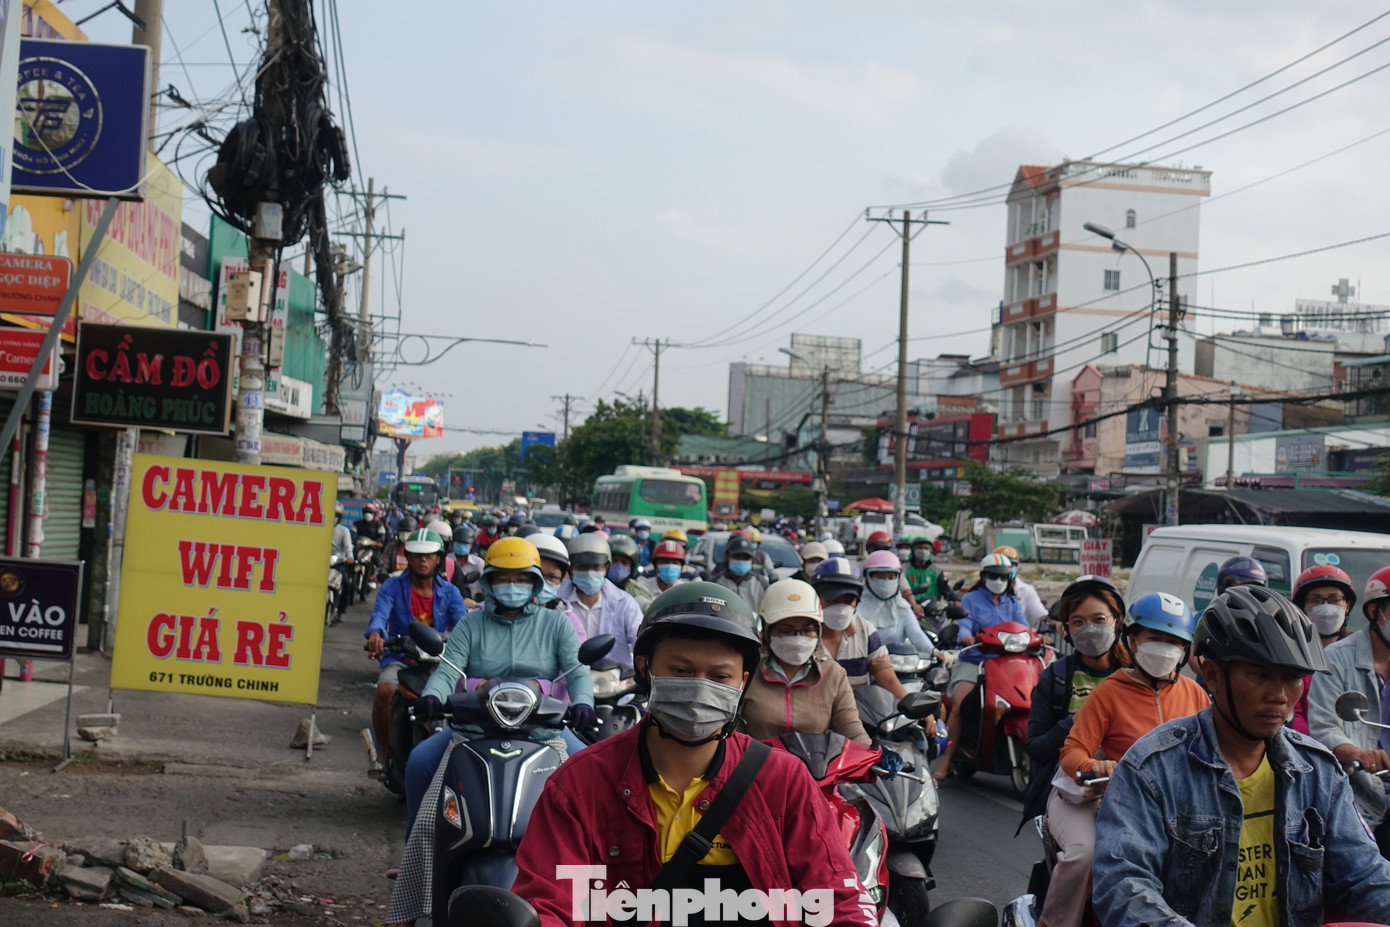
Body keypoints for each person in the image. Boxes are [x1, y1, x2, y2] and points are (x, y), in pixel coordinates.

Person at [508, 582, 880, 927]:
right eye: (680, 670)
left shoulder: (783, 781)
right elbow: (550, 904)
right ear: (645, 669)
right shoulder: (580, 784)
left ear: (743, 681)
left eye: (719, 677)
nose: (699, 688)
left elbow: (837, 899)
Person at [1093, 585, 1390, 927]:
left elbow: (1365, 874)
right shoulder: (1150, 769)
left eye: (1292, 678)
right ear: (1213, 676)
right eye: (1260, 675)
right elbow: (1124, 886)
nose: (1279, 696)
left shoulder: (1319, 771)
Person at [402, 538, 595, 833]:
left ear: (536, 582)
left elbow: (577, 672)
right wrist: (431, 696)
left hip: (543, 731)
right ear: (489, 582)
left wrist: (583, 703)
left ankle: (584, 858)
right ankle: (417, 850)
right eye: (503, 578)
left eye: (521, 579)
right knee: (419, 763)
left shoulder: (557, 624)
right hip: (474, 730)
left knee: (592, 774)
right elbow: (446, 671)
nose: (512, 585)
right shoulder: (470, 624)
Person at [1045, 591, 1208, 926]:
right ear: (1133, 641)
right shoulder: (1108, 692)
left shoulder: (1195, 694)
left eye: (1173, 641)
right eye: (1154, 638)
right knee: (1084, 857)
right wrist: (1096, 766)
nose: (1164, 648)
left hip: (1175, 808)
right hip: (1107, 796)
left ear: (1185, 649)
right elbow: (1072, 752)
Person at [1017, 576, 1127, 926]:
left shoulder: (1138, 675)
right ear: (1066, 629)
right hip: (1073, 789)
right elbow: (1035, 747)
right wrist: (1078, 723)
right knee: (1084, 855)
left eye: (1099, 620)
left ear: (1117, 621)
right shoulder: (1056, 679)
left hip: (1134, 787)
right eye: (1078, 622)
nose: (1090, 629)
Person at [363, 529, 468, 780]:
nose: (423, 560)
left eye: (429, 556)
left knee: (464, 700)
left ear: (438, 559)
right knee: (385, 691)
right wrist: (376, 634)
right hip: (401, 659)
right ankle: (383, 754)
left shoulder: (451, 592)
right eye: (417, 555)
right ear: (407, 557)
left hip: (439, 662)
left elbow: (464, 625)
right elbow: (380, 613)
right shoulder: (392, 586)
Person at [1307, 564, 1390, 852]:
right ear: (1374, 612)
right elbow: (1324, 726)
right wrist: (1360, 754)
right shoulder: (1337, 658)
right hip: (1360, 794)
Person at [740, 579, 871, 745]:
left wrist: (873, 755)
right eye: (786, 631)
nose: (798, 637)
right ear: (767, 631)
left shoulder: (833, 674)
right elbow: (732, 733)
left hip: (814, 769)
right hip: (757, 767)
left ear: (818, 632)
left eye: (808, 630)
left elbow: (851, 728)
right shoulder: (748, 671)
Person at [810, 558, 921, 706]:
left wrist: (916, 708)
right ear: (815, 597)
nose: (841, 607)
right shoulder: (800, 633)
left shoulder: (866, 632)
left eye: (848, 600)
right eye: (833, 599)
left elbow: (888, 680)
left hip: (857, 718)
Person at [1288, 563, 1355, 734]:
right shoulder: (1291, 653)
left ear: (1346, 605)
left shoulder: (1360, 652)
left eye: (1334, 600)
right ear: (1303, 606)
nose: (1326, 607)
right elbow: (1291, 711)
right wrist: (1318, 746)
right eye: (1316, 600)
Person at [559, 533, 644, 665]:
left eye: (596, 567)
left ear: (606, 568)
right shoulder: (557, 602)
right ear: (571, 570)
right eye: (583, 567)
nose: (589, 572)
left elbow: (640, 640)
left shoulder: (625, 603)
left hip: (615, 679)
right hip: (566, 677)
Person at [855, 550, 939, 653]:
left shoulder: (902, 608)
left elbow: (917, 635)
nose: (886, 581)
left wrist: (934, 651)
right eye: (880, 577)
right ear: (868, 578)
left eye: (891, 577)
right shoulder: (855, 607)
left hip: (897, 665)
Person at [956, 553, 1025, 645]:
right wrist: (966, 636)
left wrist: (1039, 637)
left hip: (1007, 653)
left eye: (1003, 577)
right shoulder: (969, 599)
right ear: (984, 577)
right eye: (993, 576)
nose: (998, 581)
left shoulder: (1012, 602)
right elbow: (964, 624)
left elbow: (1023, 626)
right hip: (977, 653)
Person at [712, 535, 768, 622]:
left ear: (752, 559)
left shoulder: (761, 584)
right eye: (737, 556)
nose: (741, 561)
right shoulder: (716, 583)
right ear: (727, 556)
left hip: (751, 633)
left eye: (746, 558)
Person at [993, 545, 1048, 626]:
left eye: (1012, 565)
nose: (1008, 568)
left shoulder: (1021, 593)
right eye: (1004, 565)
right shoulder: (980, 593)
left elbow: (1039, 615)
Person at [607, 534, 654, 611]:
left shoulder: (641, 593)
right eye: (614, 560)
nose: (619, 565)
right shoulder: (594, 589)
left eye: (624, 562)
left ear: (632, 567)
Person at [331, 502, 354, 617]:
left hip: (338, 563)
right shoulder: (321, 528)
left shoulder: (344, 531)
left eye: (336, 515)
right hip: (321, 564)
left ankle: (341, 611)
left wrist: (350, 557)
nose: (334, 517)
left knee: (346, 583)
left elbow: (348, 547)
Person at [378, 514, 418, 580]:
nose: (404, 535)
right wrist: (382, 574)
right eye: (402, 532)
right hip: (394, 581)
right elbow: (384, 563)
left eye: (408, 532)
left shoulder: (419, 549)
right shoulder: (391, 547)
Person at [902, 537, 942, 601]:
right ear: (913, 550)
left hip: (932, 605)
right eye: (920, 548)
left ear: (930, 551)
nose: (923, 551)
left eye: (926, 548)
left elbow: (946, 589)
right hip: (909, 604)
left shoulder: (936, 571)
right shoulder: (903, 569)